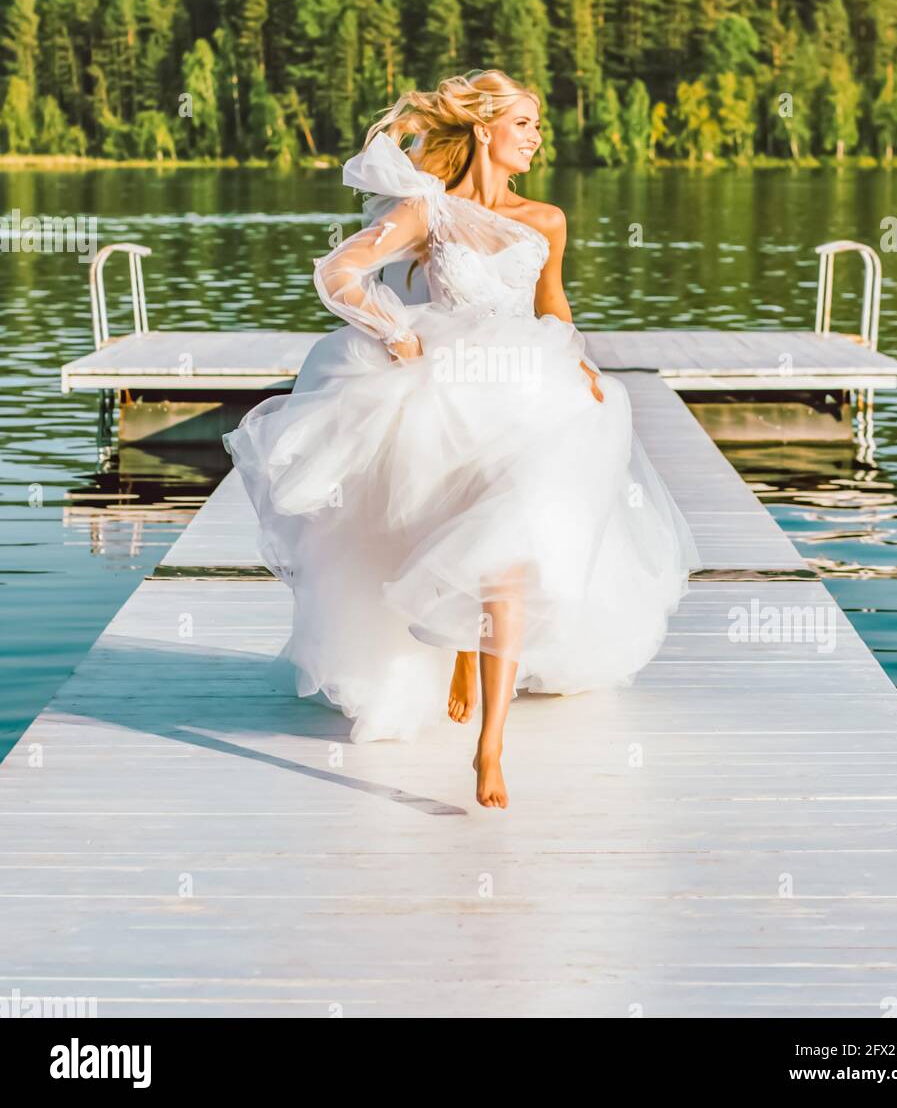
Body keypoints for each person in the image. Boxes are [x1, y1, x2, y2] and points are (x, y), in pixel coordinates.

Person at [223, 69, 700, 808]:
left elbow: (553, 305)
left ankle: (491, 747)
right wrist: (395, 330)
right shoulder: (430, 212)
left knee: (509, 556)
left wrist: (582, 366)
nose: (537, 139)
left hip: (533, 390)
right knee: (451, 536)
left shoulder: (546, 219)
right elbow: (339, 271)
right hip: (447, 389)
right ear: (484, 129)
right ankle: (454, 659)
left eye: (539, 126)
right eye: (524, 124)